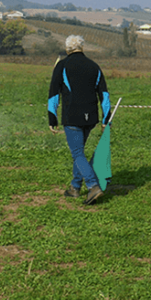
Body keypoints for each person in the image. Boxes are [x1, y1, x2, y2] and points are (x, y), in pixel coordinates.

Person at [47, 35, 110, 204]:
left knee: (77, 153)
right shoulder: (94, 66)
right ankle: (74, 187)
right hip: (91, 118)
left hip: (72, 117)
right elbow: (104, 95)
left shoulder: (62, 66)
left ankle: (93, 186)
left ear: (68, 49)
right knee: (79, 153)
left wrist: (52, 119)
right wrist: (106, 119)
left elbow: (53, 94)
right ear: (82, 47)